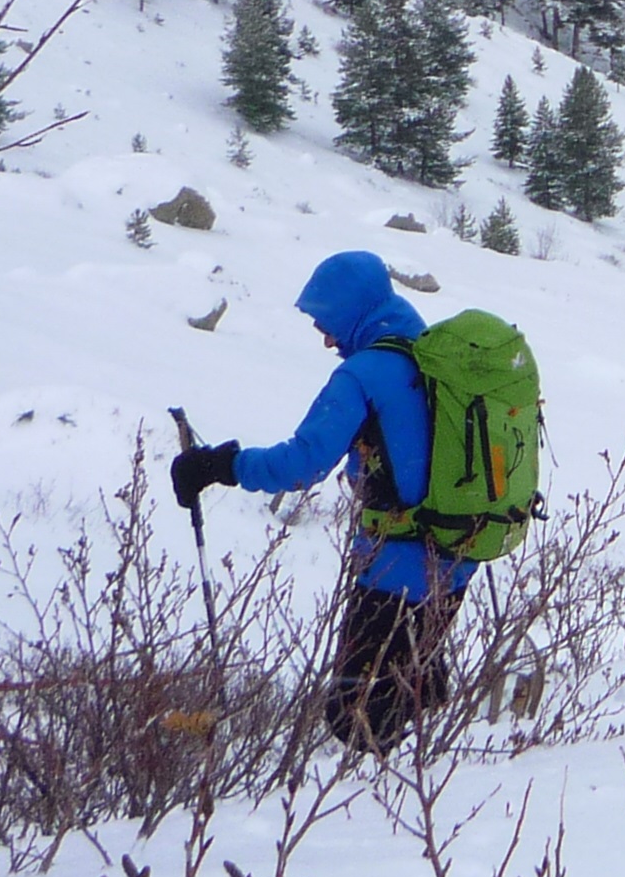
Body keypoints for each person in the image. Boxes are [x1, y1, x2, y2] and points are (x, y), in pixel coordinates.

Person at [167, 248, 473, 750]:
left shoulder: (364, 373)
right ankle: (430, 798)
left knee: (358, 721)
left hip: (393, 570)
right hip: (456, 558)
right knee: (416, 701)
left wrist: (219, 465)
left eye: (326, 324)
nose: (328, 339)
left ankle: (374, 818)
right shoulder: (436, 354)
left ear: (352, 312)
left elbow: (302, 464)